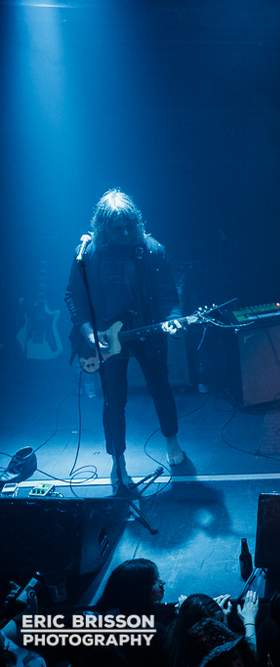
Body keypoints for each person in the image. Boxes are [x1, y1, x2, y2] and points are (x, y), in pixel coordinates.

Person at [64, 189, 187, 495]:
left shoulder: (152, 250)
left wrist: (172, 318)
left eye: (129, 226)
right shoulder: (88, 254)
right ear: (103, 228)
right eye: (117, 229)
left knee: (161, 388)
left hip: (147, 332)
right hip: (108, 337)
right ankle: (117, 460)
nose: (125, 233)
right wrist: (88, 333)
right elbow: (73, 297)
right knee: (114, 401)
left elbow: (168, 295)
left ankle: (172, 441)